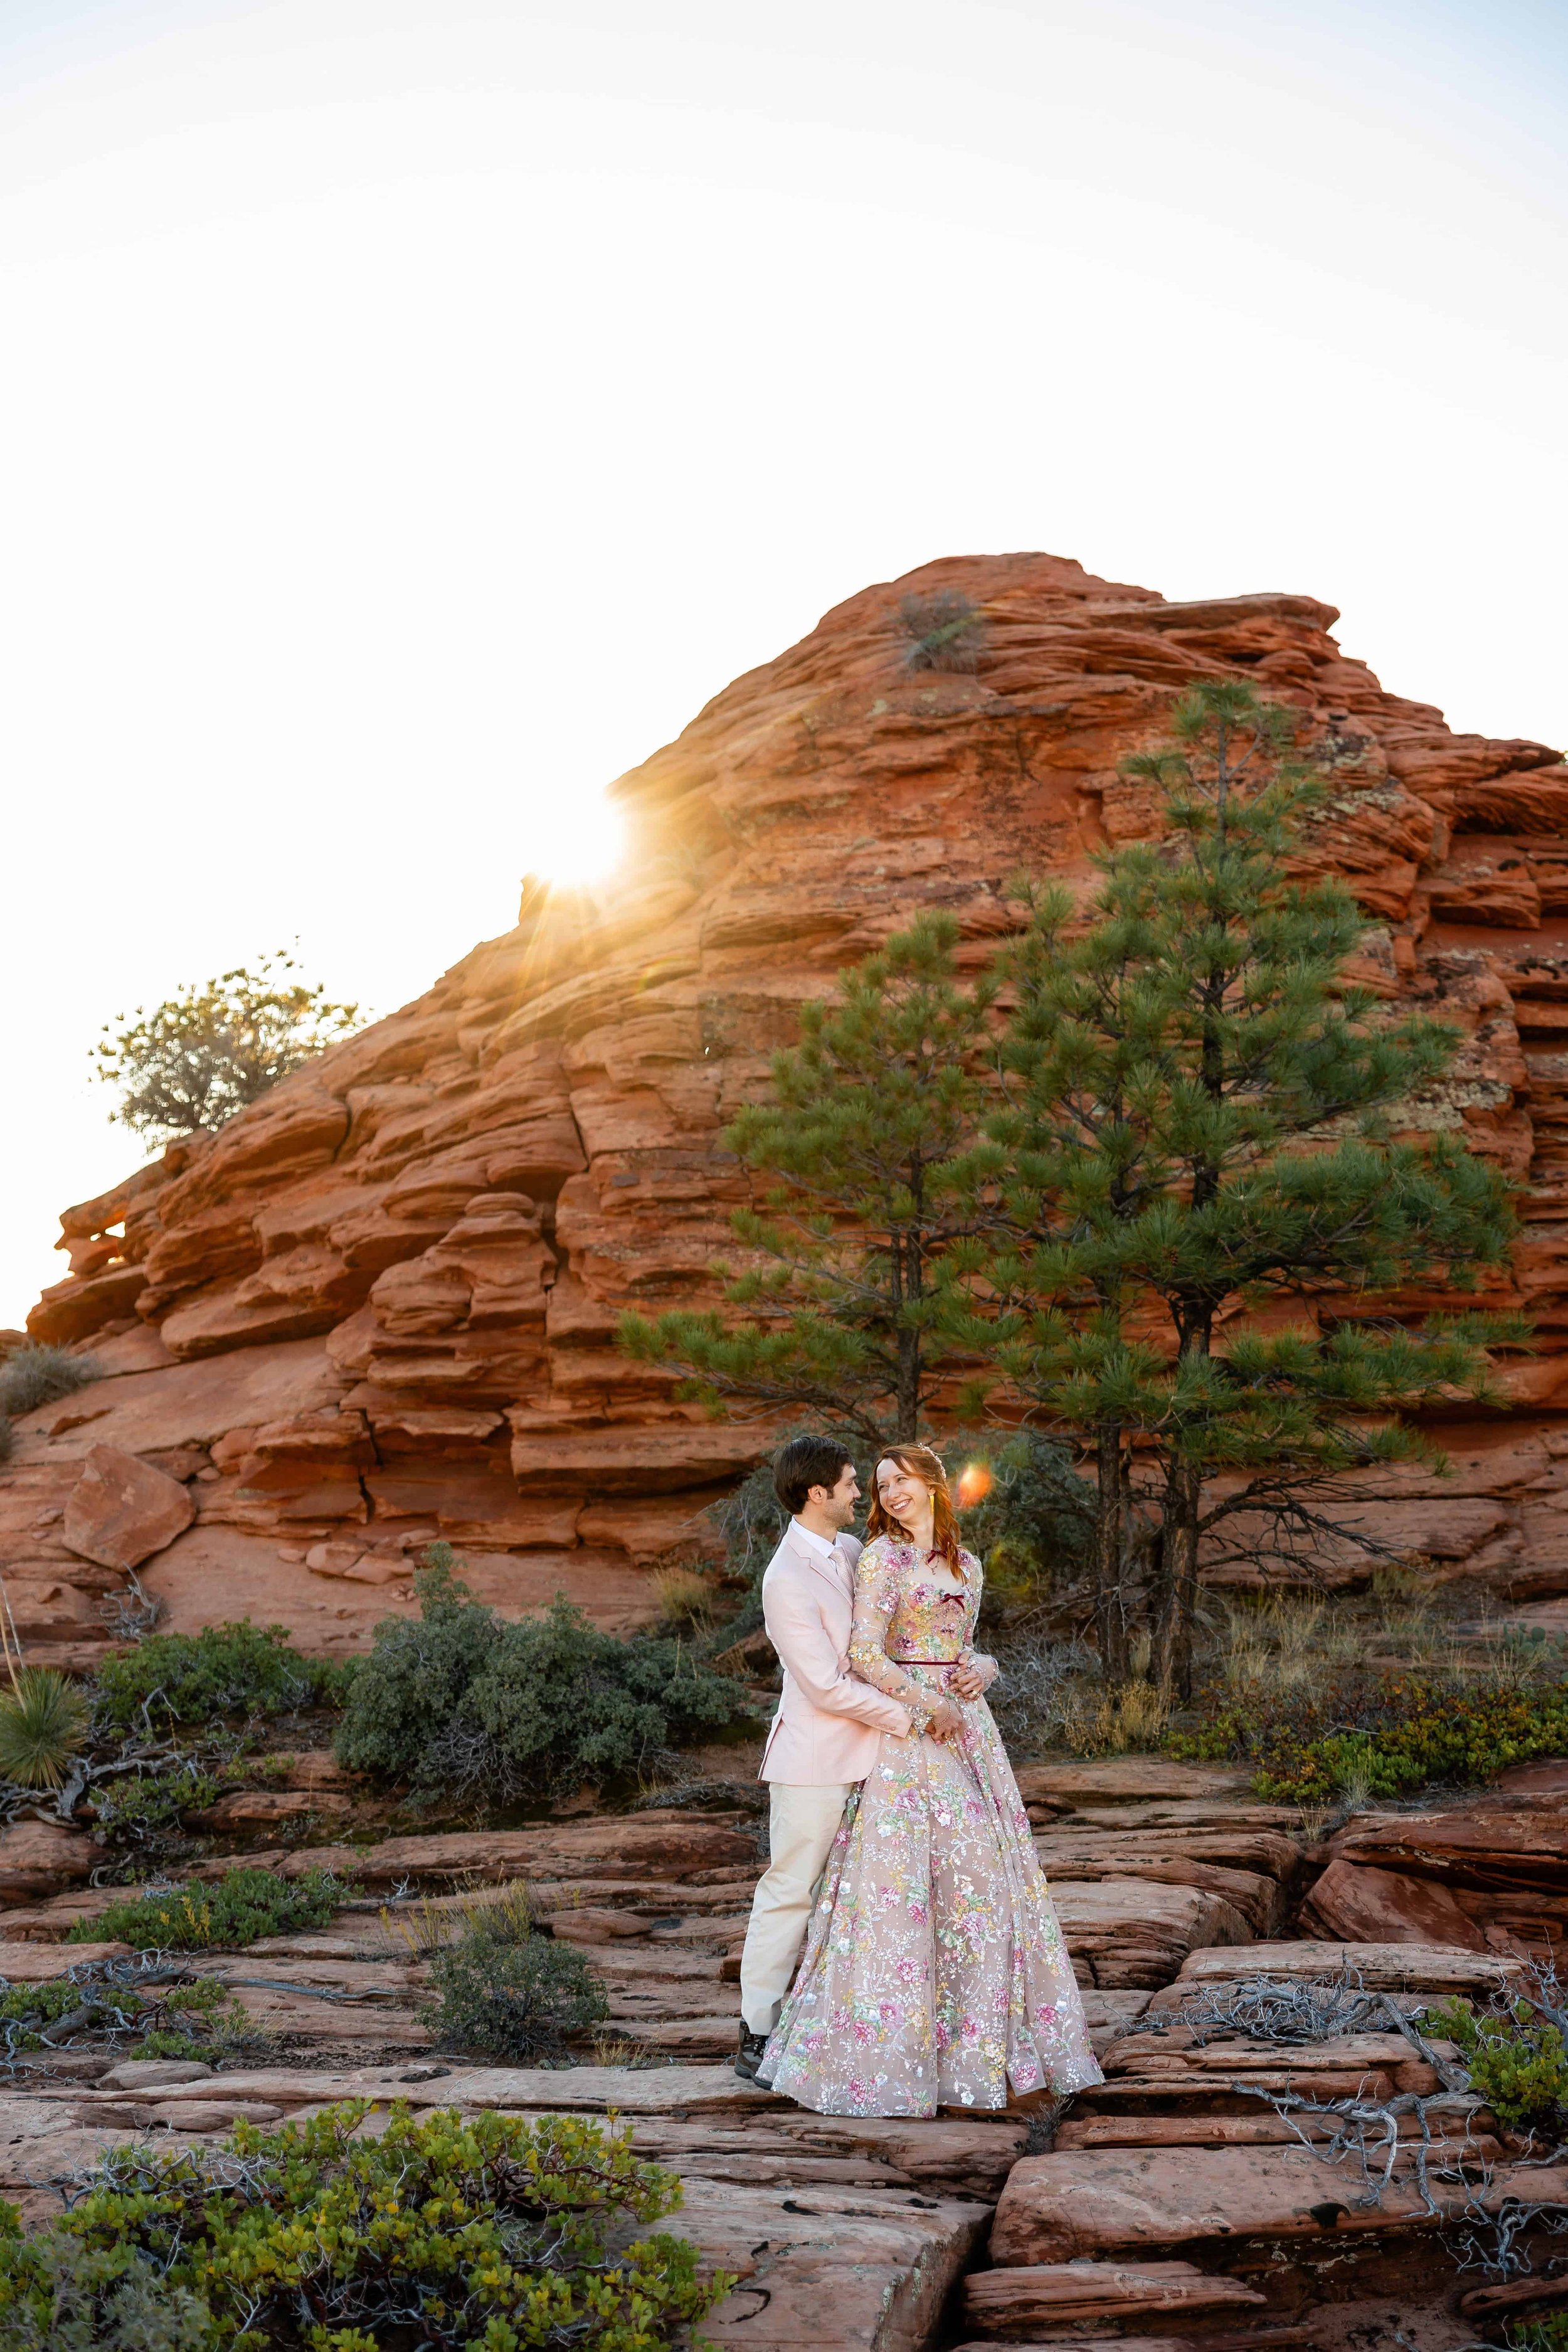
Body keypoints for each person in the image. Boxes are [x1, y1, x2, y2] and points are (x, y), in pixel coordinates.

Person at [756, 1443, 1102, 2116]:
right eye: (876, 1485)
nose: (885, 1494)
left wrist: (987, 1669)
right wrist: (927, 1705)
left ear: (934, 1484)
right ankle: (886, 2051)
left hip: (969, 1728)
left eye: (897, 1481)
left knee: (984, 1884)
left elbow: (963, 1642)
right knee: (916, 1887)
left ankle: (978, 2057)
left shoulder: (966, 1564)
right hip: (912, 1733)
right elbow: (862, 1653)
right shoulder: (881, 1558)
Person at [734, 1434, 921, 2084]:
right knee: (790, 1891)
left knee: (867, 1895)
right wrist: (908, 1717)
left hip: (880, 1757)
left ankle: (848, 2022)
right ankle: (756, 2030)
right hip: (814, 1760)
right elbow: (823, 1686)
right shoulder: (784, 1578)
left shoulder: (851, 1550)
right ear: (817, 1494)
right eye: (847, 1484)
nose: (857, 1494)